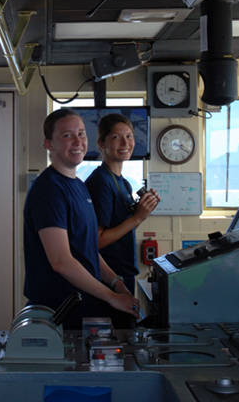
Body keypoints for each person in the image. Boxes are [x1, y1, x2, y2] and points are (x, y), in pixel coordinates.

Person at [23, 108, 139, 329]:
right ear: (49, 144)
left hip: (84, 303)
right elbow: (61, 261)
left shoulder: (78, 185)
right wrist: (112, 297)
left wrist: (115, 282)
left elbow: (87, 248)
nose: (78, 141)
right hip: (59, 310)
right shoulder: (49, 190)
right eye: (67, 136)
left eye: (82, 134)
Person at [85, 113, 160, 327]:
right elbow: (97, 241)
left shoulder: (123, 183)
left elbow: (122, 225)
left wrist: (142, 209)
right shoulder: (101, 182)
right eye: (117, 137)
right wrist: (137, 218)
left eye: (129, 136)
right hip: (109, 280)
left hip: (123, 275)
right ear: (101, 143)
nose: (125, 143)